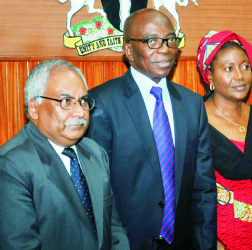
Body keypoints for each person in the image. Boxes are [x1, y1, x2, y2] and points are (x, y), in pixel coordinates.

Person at [86, 9, 217, 250]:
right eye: (152, 41)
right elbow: (98, 192)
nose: (165, 48)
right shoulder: (102, 103)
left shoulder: (192, 105)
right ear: (129, 51)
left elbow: (204, 189)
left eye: (170, 40)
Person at [0, 59, 129, 250]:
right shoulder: (11, 165)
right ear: (35, 109)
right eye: (66, 101)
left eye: (83, 101)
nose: (80, 112)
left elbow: (114, 228)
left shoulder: (95, 152)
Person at [197, 30, 252, 250]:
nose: (240, 76)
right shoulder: (193, 123)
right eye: (229, 68)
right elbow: (185, 195)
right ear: (209, 76)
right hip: (212, 243)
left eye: (245, 66)